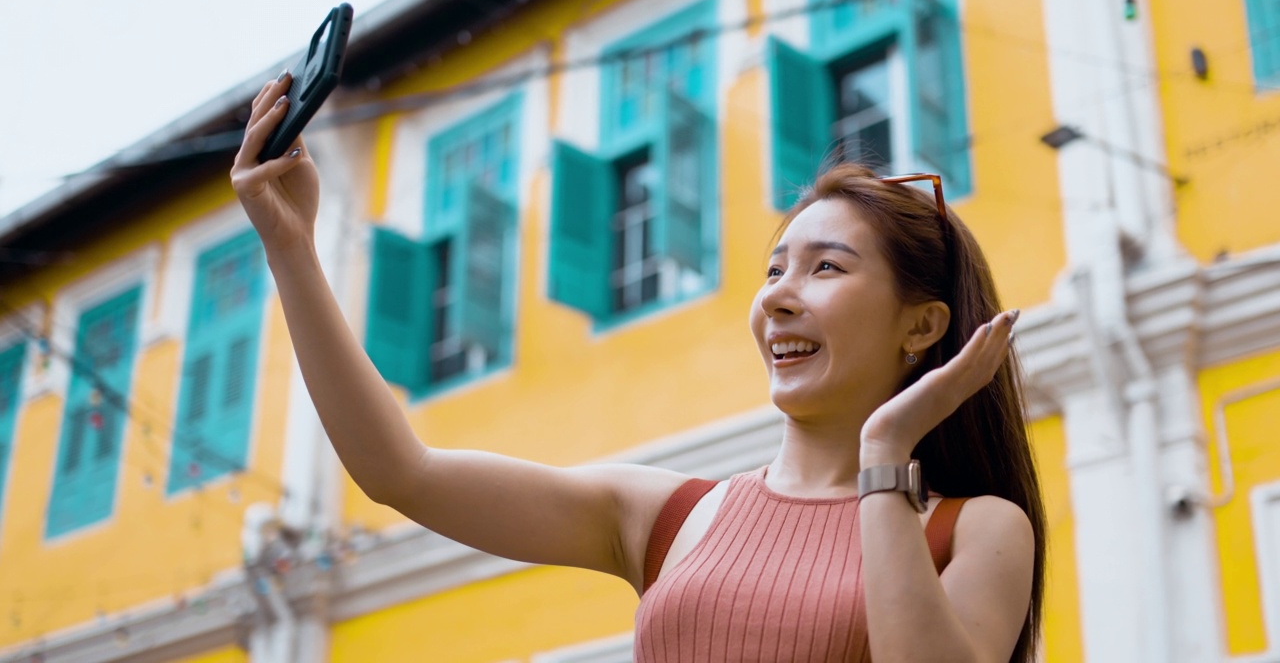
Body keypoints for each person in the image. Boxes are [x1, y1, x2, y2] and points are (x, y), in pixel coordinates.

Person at [230, 72, 1045, 663]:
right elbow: (397, 472)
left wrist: (884, 456)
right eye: (773, 272)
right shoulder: (669, 517)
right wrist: (291, 247)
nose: (779, 301)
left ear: (923, 324)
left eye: (826, 270)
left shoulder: (971, 528)